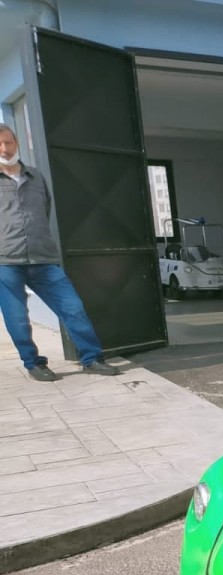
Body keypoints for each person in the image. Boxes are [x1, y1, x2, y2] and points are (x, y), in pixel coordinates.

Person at [0, 123, 119, 381]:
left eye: (8, 142)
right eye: (0, 144)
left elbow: (45, 211)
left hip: (43, 258)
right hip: (5, 262)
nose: (4, 148)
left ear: (16, 143)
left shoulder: (35, 177)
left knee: (73, 307)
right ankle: (33, 363)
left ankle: (92, 358)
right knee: (17, 318)